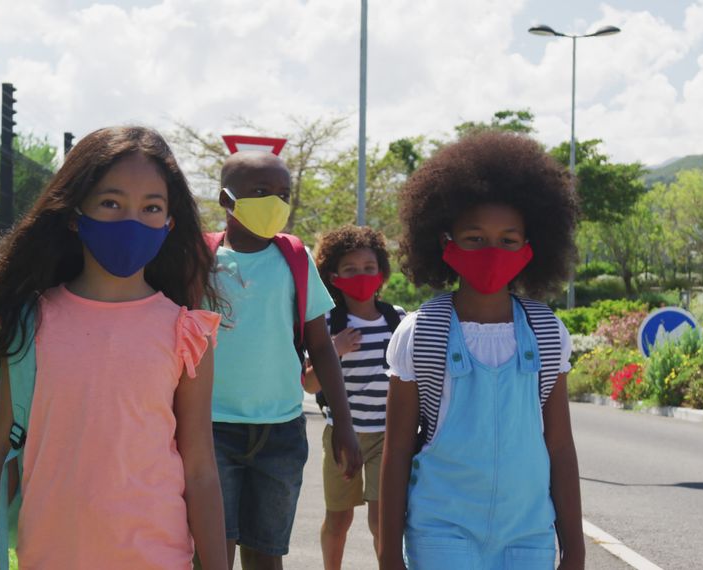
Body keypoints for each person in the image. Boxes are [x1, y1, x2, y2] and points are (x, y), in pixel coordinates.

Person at [0, 126, 228, 570]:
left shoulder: (187, 331)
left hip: (157, 558)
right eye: (111, 202)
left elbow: (200, 467)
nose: (132, 220)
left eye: (151, 208)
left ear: (169, 224)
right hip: (49, 557)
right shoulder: (31, 322)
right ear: (73, 213)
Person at [378, 131, 585, 569]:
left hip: (528, 536)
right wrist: (388, 554)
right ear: (444, 240)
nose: (492, 251)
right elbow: (396, 451)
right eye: (474, 238)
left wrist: (576, 549)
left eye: (508, 240)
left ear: (531, 247)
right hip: (441, 532)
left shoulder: (547, 332)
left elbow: (561, 446)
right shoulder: (421, 332)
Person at [208, 151, 363, 569]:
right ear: (227, 199)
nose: (276, 202)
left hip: (280, 433)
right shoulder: (199, 262)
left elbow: (322, 346)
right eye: (261, 192)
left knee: (266, 554)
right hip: (211, 431)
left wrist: (345, 425)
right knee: (211, 554)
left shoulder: (295, 259)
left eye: (283, 193)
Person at [302, 225, 406, 569]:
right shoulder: (327, 324)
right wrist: (334, 349)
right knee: (339, 519)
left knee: (382, 520)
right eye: (350, 269)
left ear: (382, 273)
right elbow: (310, 385)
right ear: (333, 276)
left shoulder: (399, 321)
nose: (361, 275)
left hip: (388, 437)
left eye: (368, 268)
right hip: (342, 436)